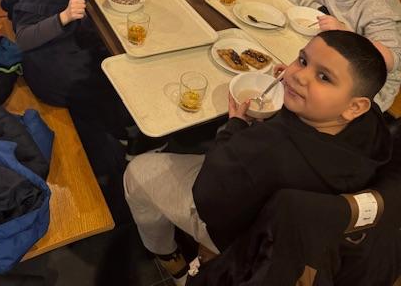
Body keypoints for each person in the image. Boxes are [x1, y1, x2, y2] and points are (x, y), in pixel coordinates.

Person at [124, 31, 391, 285]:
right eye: (302, 61)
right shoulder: (373, 123)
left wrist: (234, 127)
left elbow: (207, 198)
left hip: (247, 237)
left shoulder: (270, 148)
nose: (299, 76)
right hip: (312, 228)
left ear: (355, 106)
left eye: (324, 77)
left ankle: (170, 260)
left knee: (138, 172)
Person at [12, 0, 133, 217]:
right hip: (47, 70)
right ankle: (111, 152)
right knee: (109, 80)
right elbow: (23, 38)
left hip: (63, 55)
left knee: (109, 74)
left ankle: (116, 133)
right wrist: (63, 18)